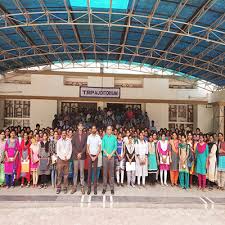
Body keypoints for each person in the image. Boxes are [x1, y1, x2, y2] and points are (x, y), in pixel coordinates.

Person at [71, 123, 87, 195]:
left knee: (82, 172)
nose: (80, 127)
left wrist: (81, 153)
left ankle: (82, 187)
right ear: (77, 127)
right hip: (75, 156)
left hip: (82, 156)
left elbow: (86, 145)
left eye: (81, 126)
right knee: (75, 172)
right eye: (79, 126)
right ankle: (74, 187)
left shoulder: (85, 135)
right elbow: (73, 145)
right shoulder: (74, 135)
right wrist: (77, 153)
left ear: (82, 127)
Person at [56, 130, 72, 194]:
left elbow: (70, 150)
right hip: (60, 159)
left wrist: (67, 157)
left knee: (66, 175)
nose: (64, 134)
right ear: (61, 134)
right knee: (59, 174)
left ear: (66, 134)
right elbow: (58, 151)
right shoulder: (59, 141)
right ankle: (58, 187)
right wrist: (63, 157)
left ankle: (65, 187)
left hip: (67, 160)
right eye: (63, 133)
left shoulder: (69, 141)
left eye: (65, 133)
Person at [102, 126, 117, 195]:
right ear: (106, 130)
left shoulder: (114, 137)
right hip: (105, 157)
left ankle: (112, 188)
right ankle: (104, 188)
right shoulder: (104, 137)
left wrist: (110, 154)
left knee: (111, 174)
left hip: (112, 157)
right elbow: (102, 147)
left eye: (110, 129)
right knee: (105, 173)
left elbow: (115, 147)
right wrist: (107, 154)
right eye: (108, 129)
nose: (109, 130)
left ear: (111, 130)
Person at [86, 125, 101, 195]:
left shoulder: (98, 137)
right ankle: (89, 188)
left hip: (96, 156)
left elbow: (100, 148)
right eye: (93, 128)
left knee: (95, 173)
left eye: (95, 128)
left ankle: (95, 189)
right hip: (90, 156)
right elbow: (87, 147)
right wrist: (90, 156)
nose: (94, 129)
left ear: (96, 130)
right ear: (91, 130)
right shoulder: (89, 137)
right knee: (89, 172)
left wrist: (96, 156)